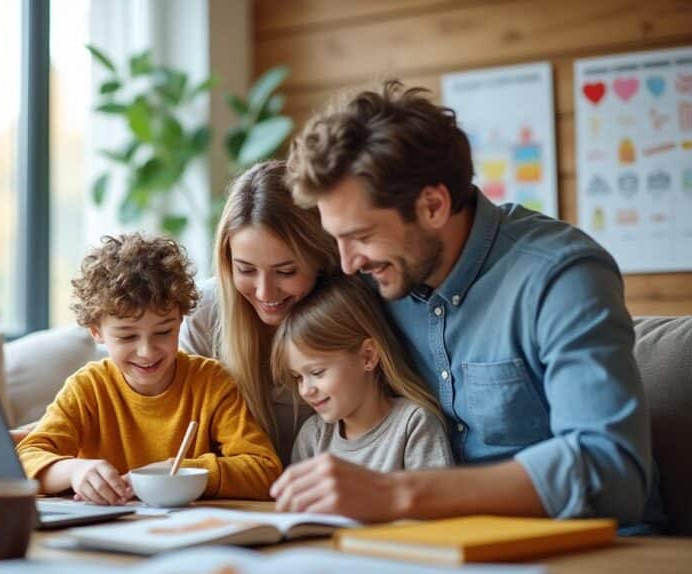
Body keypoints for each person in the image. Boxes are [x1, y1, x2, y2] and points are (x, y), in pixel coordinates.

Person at [272, 79, 661, 530]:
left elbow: (610, 469)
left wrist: (396, 493)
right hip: (440, 549)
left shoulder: (560, 276)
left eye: (361, 236)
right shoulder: (376, 279)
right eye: (336, 239)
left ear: (433, 205)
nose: (347, 261)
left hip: (590, 548)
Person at [16, 233, 281, 505]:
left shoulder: (211, 383)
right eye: (128, 337)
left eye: (164, 332)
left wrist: (181, 472)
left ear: (180, 319)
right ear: (96, 332)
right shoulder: (88, 388)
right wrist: (74, 471)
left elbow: (265, 470)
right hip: (107, 534)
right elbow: (25, 458)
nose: (147, 352)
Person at [180, 160, 342, 464]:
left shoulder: (349, 316)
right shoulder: (203, 313)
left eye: (286, 271)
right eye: (246, 270)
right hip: (230, 496)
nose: (265, 292)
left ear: (321, 258)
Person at [272, 275, 453, 470]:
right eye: (298, 377)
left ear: (368, 356)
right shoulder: (312, 437)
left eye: (317, 372)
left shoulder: (413, 425)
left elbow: (438, 500)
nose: (305, 391)